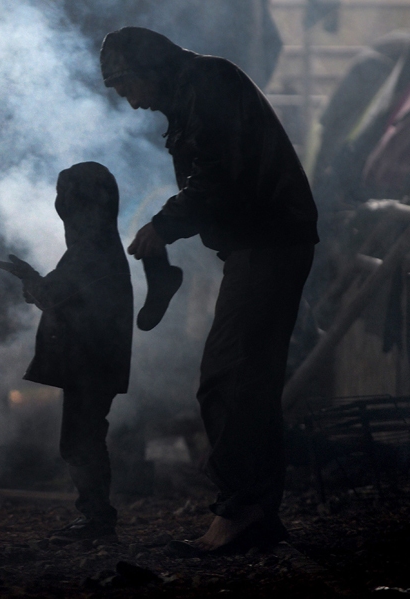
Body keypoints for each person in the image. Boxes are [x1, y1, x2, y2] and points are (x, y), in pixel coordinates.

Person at [100, 27, 319, 554]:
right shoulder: (197, 86)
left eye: (126, 85)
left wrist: (165, 225)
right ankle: (256, 512)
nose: (131, 103)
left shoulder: (207, 83)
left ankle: (241, 509)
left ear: (148, 67)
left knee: (230, 377)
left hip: (269, 244)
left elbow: (219, 176)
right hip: (266, 242)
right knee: (248, 379)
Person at [0, 162, 132, 542]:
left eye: (67, 195)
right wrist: (36, 283)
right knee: (82, 437)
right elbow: (59, 294)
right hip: (94, 359)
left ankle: (96, 520)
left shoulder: (93, 250)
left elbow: (55, 294)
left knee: (81, 440)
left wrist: (29, 279)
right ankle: (94, 517)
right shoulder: (98, 245)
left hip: (93, 361)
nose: (62, 204)